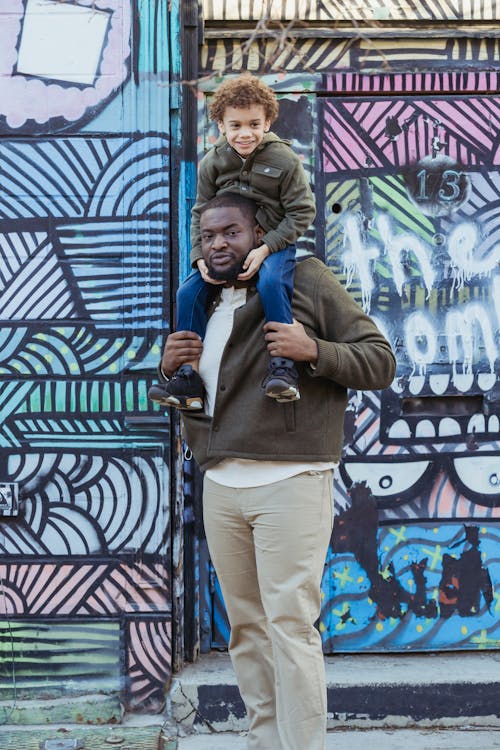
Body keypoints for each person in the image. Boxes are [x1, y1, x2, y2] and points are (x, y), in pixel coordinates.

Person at [158, 193, 396, 750]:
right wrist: (169, 364)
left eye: (232, 232)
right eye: (209, 235)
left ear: (260, 231)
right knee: (247, 630)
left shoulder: (302, 278)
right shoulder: (202, 297)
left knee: (289, 627)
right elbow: (201, 387)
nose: (218, 244)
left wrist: (312, 348)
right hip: (220, 483)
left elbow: (380, 359)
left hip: (291, 478)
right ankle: (264, 741)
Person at [148, 73, 316, 410]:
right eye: (235, 125)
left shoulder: (283, 160)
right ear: (221, 126)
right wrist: (200, 258)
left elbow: (302, 211)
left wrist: (267, 247)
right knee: (188, 293)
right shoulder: (213, 162)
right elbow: (199, 213)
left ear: (267, 121)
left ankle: (283, 369)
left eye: (254, 124)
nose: (245, 133)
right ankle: (187, 379)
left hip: (271, 243)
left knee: (270, 282)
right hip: (225, 249)